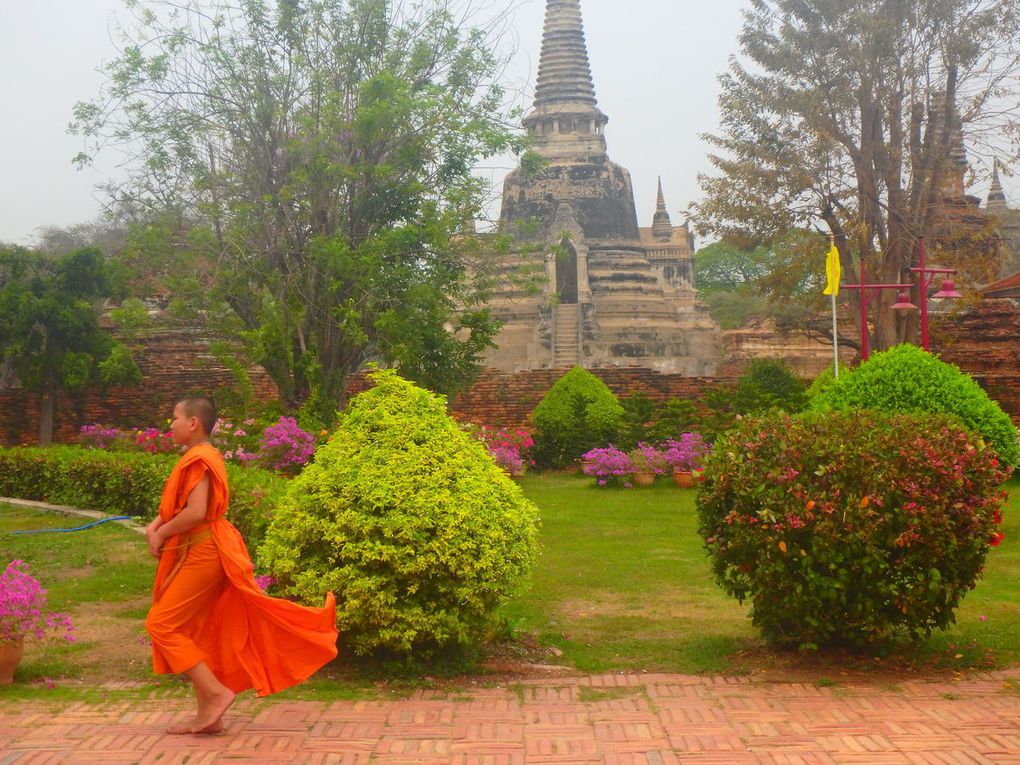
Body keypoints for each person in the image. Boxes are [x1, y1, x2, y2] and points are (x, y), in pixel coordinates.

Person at [145, 396, 337, 734]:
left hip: (205, 549)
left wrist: (162, 535)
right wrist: (155, 525)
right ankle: (209, 714)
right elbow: (181, 504)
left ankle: (217, 694)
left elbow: (196, 511)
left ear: (193, 423)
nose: (170, 423)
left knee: (162, 624)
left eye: (174, 417)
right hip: (206, 545)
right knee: (199, 628)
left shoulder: (201, 458)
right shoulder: (198, 456)